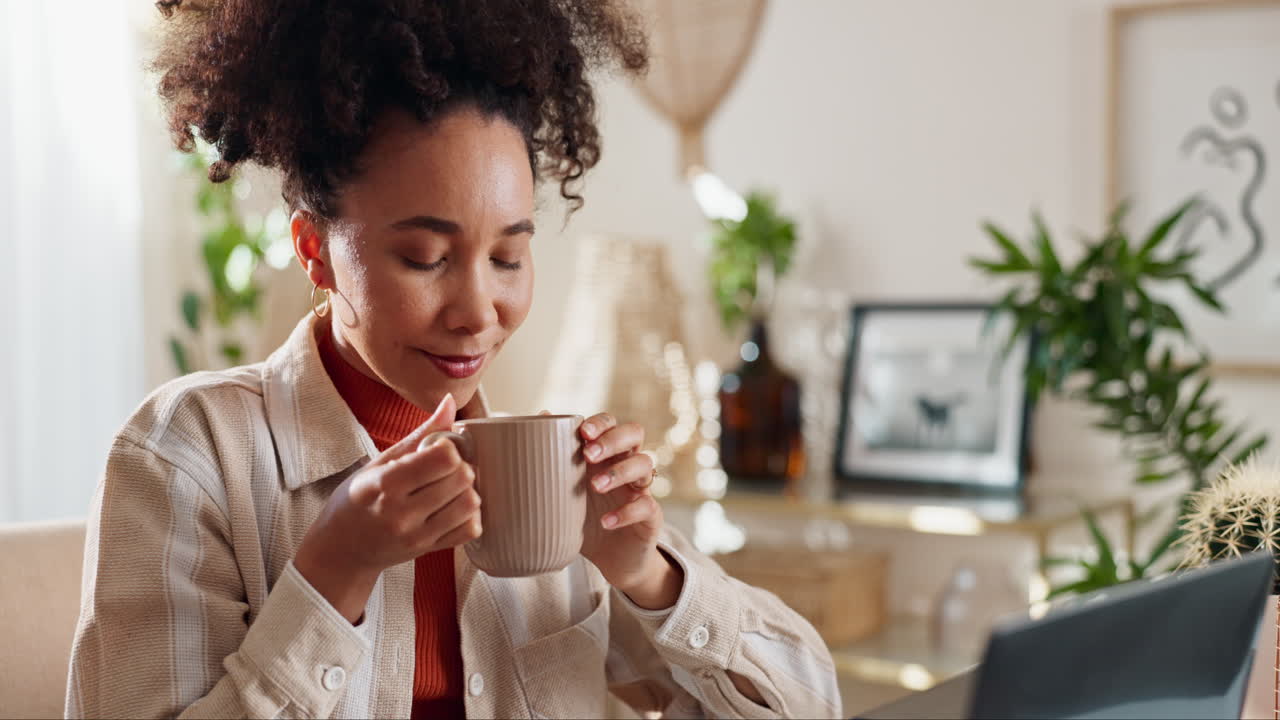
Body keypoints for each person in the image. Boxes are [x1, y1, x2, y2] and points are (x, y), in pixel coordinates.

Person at [65, 1, 842, 718]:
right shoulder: (189, 458)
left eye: (508, 257)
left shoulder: (550, 481)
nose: (478, 312)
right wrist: (333, 576)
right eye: (427, 256)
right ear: (316, 252)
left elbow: (813, 702)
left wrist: (652, 579)